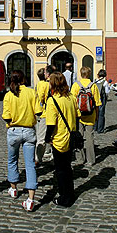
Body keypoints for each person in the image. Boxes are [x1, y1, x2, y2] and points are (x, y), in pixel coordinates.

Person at [2, 70, 40, 211]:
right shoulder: (31, 92)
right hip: (29, 131)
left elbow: (6, 116)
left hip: (14, 131)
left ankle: (14, 189)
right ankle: (30, 199)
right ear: (24, 79)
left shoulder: (8, 95)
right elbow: (38, 111)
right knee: (30, 164)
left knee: (12, 160)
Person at [45, 72, 81, 207]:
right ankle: (70, 194)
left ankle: (64, 198)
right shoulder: (71, 97)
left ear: (53, 84)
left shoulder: (52, 100)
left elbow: (50, 124)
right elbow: (77, 117)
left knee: (60, 170)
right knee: (68, 168)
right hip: (70, 137)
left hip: (59, 139)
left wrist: (47, 138)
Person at [71, 67, 101, 166]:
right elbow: (97, 103)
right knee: (90, 138)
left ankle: (80, 159)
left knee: (79, 137)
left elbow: (72, 101)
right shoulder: (93, 86)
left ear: (80, 74)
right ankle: (90, 160)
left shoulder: (76, 85)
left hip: (79, 116)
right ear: (89, 74)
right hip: (90, 115)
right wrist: (96, 115)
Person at [35, 65, 55, 163]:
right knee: (53, 137)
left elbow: (40, 98)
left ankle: (38, 158)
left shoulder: (42, 84)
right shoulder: (54, 83)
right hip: (54, 114)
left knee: (41, 137)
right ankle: (52, 157)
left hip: (44, 114)